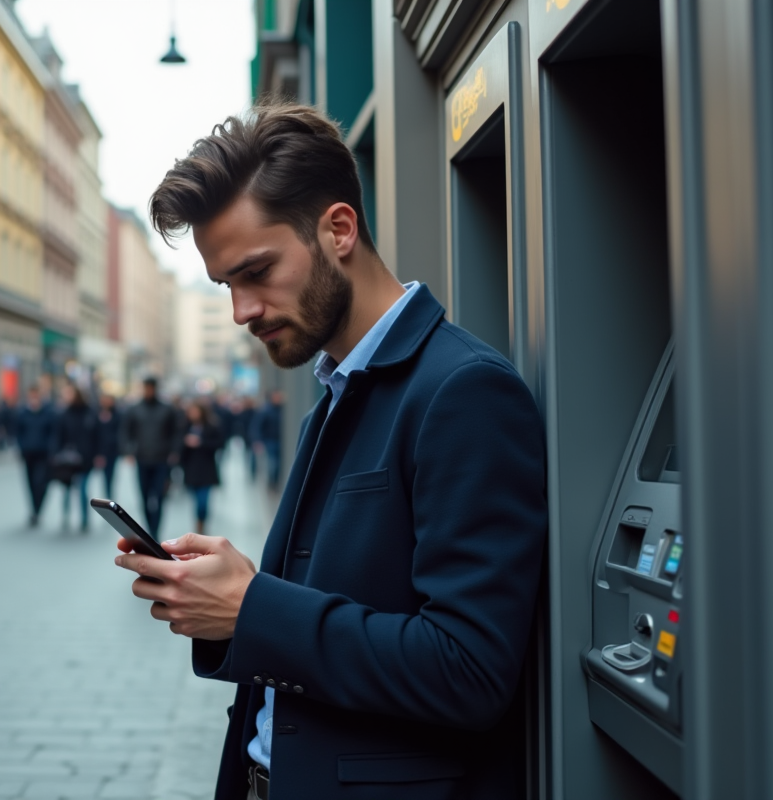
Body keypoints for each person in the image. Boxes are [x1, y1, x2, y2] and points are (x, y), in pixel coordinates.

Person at [115, 104, 548, 800]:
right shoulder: (338, 389)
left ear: (339, 229)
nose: (242, 311)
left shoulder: (463, 391)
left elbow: (470, 669)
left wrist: (252, 607)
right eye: (227, 285)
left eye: (257, 271)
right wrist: (231, 597)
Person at [121, 377, 182, 536]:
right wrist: (128, 451)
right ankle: (149, 528)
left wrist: (174, 452)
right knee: (144, 497)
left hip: (162, 460)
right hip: (142, 459)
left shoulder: (167, 409)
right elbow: (126, 432)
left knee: (159, 497)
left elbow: (176, 432)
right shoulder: (135, 409)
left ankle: (155, 530)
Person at [55, 383, 97, 531]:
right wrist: (57, 454)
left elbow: (97, 436)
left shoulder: (90, 413)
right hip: (68, 461)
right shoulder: (65, 414)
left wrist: (97, 455)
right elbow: (58, 436)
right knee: (66, 490)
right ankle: (66, 516)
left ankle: (84, 519)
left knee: (83, 490)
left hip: (86, 459)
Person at [15, 383, 56, 527]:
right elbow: (18, 432)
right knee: (30, 483)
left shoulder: (48, 412)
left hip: (43, 454)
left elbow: (53, 433)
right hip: (28, 453)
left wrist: (51, 449)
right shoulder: (23, 413)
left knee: (41, 483)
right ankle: (34, 511)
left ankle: (38, 509)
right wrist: (21, 447)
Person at [180, 402, 223, 535]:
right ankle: (198, 522)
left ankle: (201, 523)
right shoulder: (184, 428)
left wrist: (200, 443)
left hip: (206, 470)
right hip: (191, 470)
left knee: (203, 502)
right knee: (195, 500)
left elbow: (220, 444)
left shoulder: (211, 427)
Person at [252, 390, 284, 490]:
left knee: (278, 463)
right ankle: (272, 483)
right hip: (270, 440)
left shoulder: (282, 410)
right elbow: (257, 426)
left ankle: (276, 481)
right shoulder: (265, 411)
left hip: (281, 440)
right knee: (273, 463)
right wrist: (258, 440)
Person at [93, 393, 122, 498]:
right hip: (100, 450)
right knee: (102, 475)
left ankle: (109, 494)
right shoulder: (96, 413)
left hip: (113, 450)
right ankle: (106, 494)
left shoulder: (117, 414)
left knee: (110, 475)